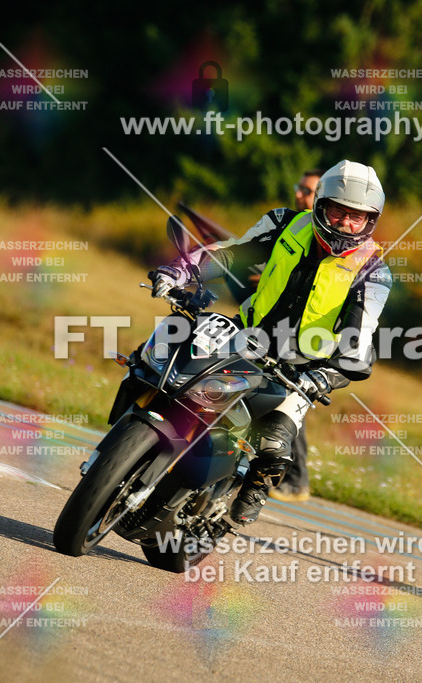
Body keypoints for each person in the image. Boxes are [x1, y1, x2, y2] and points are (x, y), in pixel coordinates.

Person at [151, 160, 391, 525]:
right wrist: (181, 269)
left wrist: (327, 375)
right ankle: (139, 443)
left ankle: (250, 494)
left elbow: (360, 335)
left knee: (275, 442)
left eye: (356, 217)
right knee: (170, 375)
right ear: (320, 204)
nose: (345, 223)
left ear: (370, 220)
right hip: (242, 337)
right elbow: (232, 253)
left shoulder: (373, 270)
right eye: (338, 211)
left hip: (299, 369)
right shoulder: (284, 223)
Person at [270, 169, 322, 502]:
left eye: (308, 191)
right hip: (275, 328)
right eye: (299, 188)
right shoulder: (292, 226)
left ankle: (297, 480)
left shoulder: (326, 241)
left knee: (290, 401)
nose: (300, 195)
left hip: (307, 338)